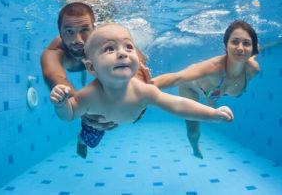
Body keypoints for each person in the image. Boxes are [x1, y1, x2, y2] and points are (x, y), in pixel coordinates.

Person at [50, 23, 234, 156]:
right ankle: (81, 139)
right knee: (91, 141)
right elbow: (70, 114)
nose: (122, 53)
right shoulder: (89, 96)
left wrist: (212, 113)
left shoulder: (143, 90)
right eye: (109, 49)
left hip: (126, 117)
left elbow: (178, 105)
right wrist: (61, 104)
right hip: (97, 122)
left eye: (128, 46)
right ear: (91, 69)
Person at [41, 2, 151, 158]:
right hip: (94, 71)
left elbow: (137, 64)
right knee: (92, 136)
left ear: (94, 28)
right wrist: (81, 108)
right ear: (60, 32)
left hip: (105, 74)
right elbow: (56, 77)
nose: (77, 40)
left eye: (85, 30)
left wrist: (139, 100)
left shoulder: (108, 41)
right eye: (69, 31)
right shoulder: (54, 52)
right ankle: (82, 139)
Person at [152, 20, 260, 159]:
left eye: (246, 43)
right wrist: (140, 86)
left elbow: (253, 53)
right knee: (193, 128)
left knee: (214, 96)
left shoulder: (253, 69)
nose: (240, 48)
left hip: (215, 90)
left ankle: (213, 102)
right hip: (192, 87)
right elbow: (177, 78)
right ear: (226, 45)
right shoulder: (213, 67)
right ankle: (195, 147)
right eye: (235, 42)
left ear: (252, 47)